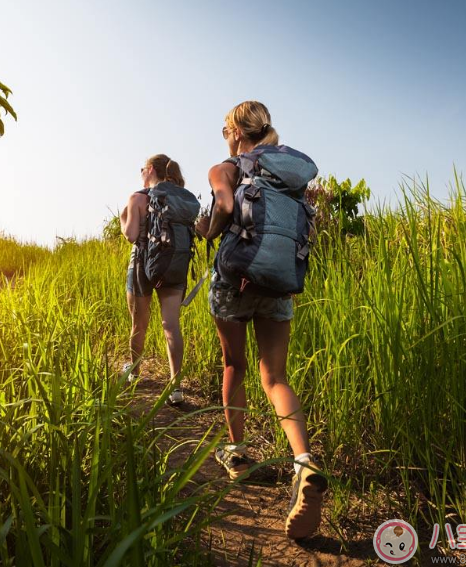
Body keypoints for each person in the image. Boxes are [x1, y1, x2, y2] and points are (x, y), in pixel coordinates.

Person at [195, 101, 328, 540]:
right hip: (279, 282)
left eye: (225, 130)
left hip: (235, 280)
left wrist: (206, 229)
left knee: (234, 365)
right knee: (275, 377)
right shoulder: (288, 174)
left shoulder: (227, 168)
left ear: (236, 131)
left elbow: (223, 206)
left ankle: (237, 455)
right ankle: (304, 462)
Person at [120, 154, 196, 405]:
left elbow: (131, 235)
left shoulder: (138, 197)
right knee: (171, 325)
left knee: (139, 323)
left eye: (142, 169)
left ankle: (134, 371)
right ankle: (176, 387)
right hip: (173, 263)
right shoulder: (179, 199)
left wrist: (122, 219)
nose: (141, 173)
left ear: (150, 169)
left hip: (142, 264)